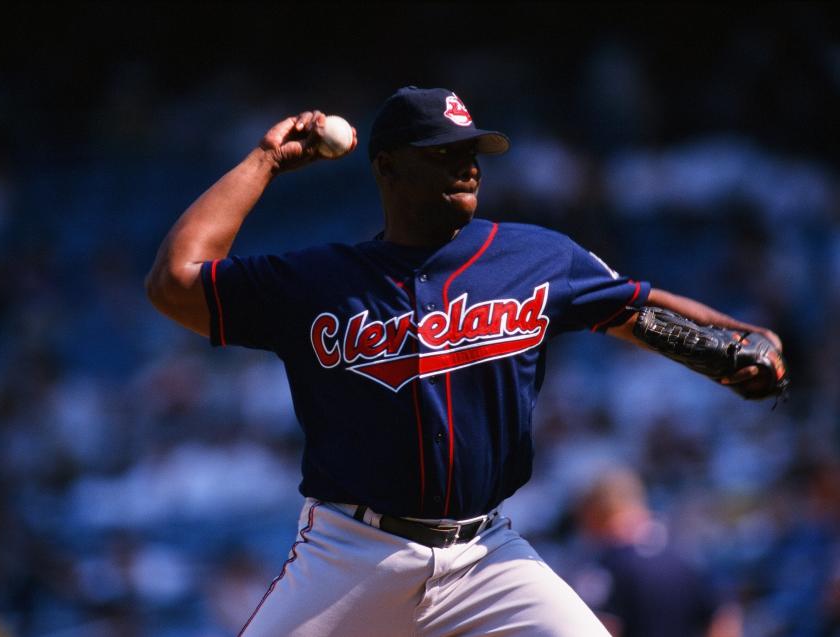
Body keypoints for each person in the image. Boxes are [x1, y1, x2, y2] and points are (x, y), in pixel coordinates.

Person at [145, 86, 786, 636]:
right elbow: (174, 281)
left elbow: (640, 310)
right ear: (387, 169)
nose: (467, 167)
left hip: (485, 555)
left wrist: (742, 338)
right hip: (353, 553)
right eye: (443, 154)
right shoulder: (318, 281)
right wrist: (264, 161)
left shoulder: (536, 257)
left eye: (472, 152)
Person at [572, 467, 743, 637]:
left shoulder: (607, 563)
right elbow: (725, 617)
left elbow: (599, 629)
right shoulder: (687, 550)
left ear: (594, 513)